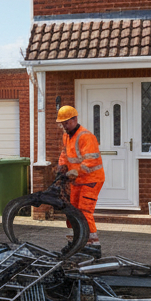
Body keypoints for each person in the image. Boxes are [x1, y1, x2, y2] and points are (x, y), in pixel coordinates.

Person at [54, 105, 104, 249]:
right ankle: (78, 239)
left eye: (66, 122)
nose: (64, 125)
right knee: (72, 209)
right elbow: (65, 154)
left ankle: (93, 244)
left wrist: (76, 172)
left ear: (75, 119)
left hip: (91, 180)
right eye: (62, 123)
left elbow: (91, 161)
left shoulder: (86, 136)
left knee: (84, 210)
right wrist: (61, 167)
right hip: (76, 180)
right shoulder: (66, 136)